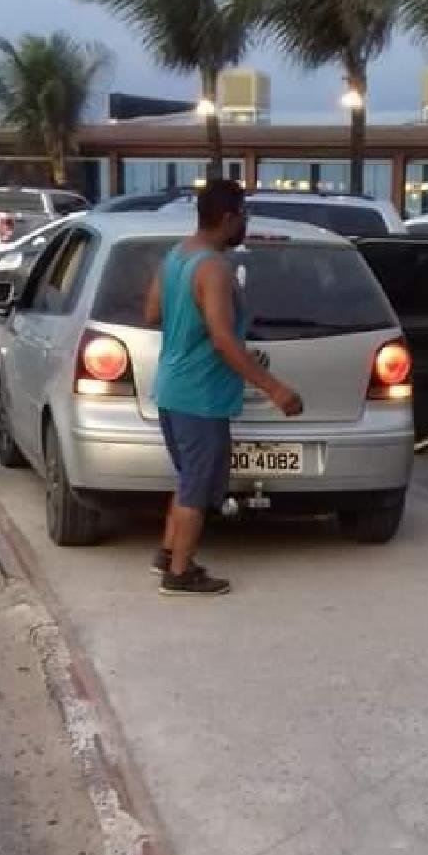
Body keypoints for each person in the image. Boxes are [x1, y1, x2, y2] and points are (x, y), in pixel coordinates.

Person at [143, 179, 303, 596]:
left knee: (187, 479)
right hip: (201, 395)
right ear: (230, 217)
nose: (245, 222)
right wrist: (274, 388)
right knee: (198, 485)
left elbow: (151, 312)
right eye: (244, 214)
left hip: (172, 387)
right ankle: (179, 573)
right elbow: (223, 338)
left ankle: (167, 551)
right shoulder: (213, 267)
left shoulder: (176, 256)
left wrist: (185, 328)